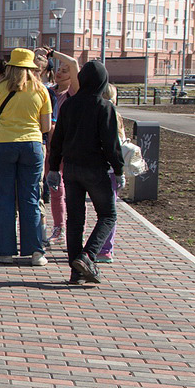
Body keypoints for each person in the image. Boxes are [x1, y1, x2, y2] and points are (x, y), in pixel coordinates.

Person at [47, 61, 123, 285]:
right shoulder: (104, 106)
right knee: (108, 215)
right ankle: (87, 256)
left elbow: (58, 138)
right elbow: (111, 144)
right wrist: (119, 170)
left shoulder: (69, 105)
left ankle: (76, 272)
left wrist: (53, 168)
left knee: (75, 221)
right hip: (95, 169)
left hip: (70, 169)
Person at [0, 48, 52, 266]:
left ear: (10, 66)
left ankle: (4, 251)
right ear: (32, 68)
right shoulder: (41, 90)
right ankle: (36, 252)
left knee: (4, 198)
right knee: (31, 197)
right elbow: (46, 126)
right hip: (32, 146)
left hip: (3, 144)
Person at [44, 49, 80, 247]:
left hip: (67, 147)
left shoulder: (73, 92)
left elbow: (73, 62)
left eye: (65, 71)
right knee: (54, 188)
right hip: (49, 147)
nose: (60, 72)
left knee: (68, 190)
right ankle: (58, 228)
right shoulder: (48, 91)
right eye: (59, 69)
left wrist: (53, 53)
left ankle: (69, 229)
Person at [95, 83, 126, 265]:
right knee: (108, 211)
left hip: (97, 168)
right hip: (110, 170)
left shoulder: (95, 113)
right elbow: (119, 143)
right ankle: (106, 248)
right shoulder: (115, 114)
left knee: (105, 212)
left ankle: (104, 248)